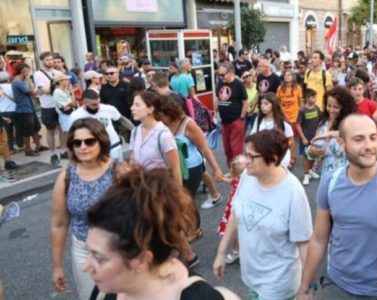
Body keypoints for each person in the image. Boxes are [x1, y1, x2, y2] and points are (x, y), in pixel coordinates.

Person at [298, 113, 377, 299]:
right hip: (335, 285)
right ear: (342, 144)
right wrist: (304, 288)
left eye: (373, 137)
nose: (369, 146)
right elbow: (319, 239)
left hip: (376, 293)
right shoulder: (330, 182)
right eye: (359, 139)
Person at [84, 167, 228, 300]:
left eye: (100, 258)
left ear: (142, 260)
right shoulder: (106, 290)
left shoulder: (200, 297)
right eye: (89, 252)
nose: (85, 266)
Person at [213, 129, 313, 300]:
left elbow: (304, 244)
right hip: (251, 274)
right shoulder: (247, 176)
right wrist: (221, 253)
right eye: (245, 154)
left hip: (278, 283)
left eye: (251, 156)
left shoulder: (293, 192)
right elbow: (235, 213)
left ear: (273, 159)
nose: (244, 161)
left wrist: (305, 289)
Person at [51, 118, 122, 300]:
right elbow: (59, 225)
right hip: (84, 251)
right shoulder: (66, 178)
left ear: (101, 142)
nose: (83, 147)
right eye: (77, 142)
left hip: (121, 249)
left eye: (89, 141)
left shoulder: (120, 172)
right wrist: (57, 266)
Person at [157, 95, 224, 198]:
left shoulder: (187, 123)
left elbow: (204, 148)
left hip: (191, 168)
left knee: (186, 202)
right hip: (171, 169)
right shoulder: (161, 124)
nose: (160, 118)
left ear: (170, 112)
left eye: (162, 115)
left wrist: (216, 169)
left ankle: (214, 196)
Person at [129, 91, 182, 184]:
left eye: (137, 105)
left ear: (150, 109)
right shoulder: (135, 132)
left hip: (159, 189)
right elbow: (133, 160)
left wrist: (178, 194)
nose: (132, 108)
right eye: (133, 105)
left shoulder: (163, 135)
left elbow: (175, 169)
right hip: (141, 188)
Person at [69, 89, 134, 159]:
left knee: (117, 168)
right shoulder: (76, 116)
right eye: (94, 104)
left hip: (113, 145)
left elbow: (122, 119)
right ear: (84, 102)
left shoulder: (108, 109)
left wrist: (136, 130)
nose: (98, 106)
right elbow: (71, 136)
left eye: (98, 103)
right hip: (93, 149)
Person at [305, 87, 357, 175]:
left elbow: (352, 135)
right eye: (329, 106)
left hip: (347, 174)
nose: (331, 110)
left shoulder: (352, 122)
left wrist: (331, 134)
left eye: (336, 107)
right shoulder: (323, 122)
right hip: (327, 173)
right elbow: (316, 145)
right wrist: (311, 152)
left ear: (345, 107)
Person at [250, 92, 294, 169]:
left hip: (280, 159)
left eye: (266, 104)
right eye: (261, 104)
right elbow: (253, 136)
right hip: (263, 157)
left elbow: (290, 140)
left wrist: (280, 149)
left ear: (273, 104)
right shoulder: (259, 120)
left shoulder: (282, 122)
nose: (263, 106)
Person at [215, 62, 247, 166]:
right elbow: (217, 97)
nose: (220, 77)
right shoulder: (220, 83)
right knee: (227, 149)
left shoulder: (238, 84)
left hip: (236, 121)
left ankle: (238, 174)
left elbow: (245, 101)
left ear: (231, 72)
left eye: (223, 74)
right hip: (224, 122)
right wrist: (215, 111)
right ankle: (233, 170)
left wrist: (241, 117)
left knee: (236, 149)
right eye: (219, 74)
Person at [216, 155, 246, 264]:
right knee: (240, 231)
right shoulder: (240, 180)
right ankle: (238, 250)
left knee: (231, 231)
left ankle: (237, 251)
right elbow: (232, 180)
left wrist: (224, 178)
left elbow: (232, 180)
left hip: (236, 210)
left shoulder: (241, 182)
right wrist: (224, 178)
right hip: (236, 209)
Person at [34, 51, 62, 165]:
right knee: (50, 130)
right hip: (48, 106)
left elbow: (64, 87)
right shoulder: (38, 74)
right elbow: (45, 90)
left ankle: (64, 150)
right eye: (47, 60)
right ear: (42, 62)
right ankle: (53, 153)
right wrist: (56, 88)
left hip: (60, 104)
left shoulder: (58, 72)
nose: (50, 62)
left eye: (51, 59)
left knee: (62, 129)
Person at [348, 78, 377, 154]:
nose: (357, 92)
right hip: (351, 143)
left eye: (360, 89)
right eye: (354, 89)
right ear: (349, 90)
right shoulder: (345, 105)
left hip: (368, 143)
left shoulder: (371, 105)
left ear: (364, 90)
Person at [10, 64, 44, 157]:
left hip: (29, 108)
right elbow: (32, 92)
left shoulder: (22, 81)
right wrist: (29, 80)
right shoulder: (17, 82)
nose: (29, 73)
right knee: (27, 131)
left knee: (35, 129)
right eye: (28, 71)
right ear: (23, 71)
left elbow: (32, 95)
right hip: (23, 110)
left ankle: (39, 146)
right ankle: (28, 150)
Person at [276, 69, 303, 166]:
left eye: (289, 75)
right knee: (283, 138)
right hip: (283, 117)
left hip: (294, 117)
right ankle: (284, 157)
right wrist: (280, 114)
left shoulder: (297, 88)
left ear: (293, 77)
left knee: (292, 139)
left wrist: (300, 115)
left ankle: (292, 158)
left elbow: (300, 102)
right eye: (285, 75)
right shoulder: (280, 88)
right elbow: (278, 102)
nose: (287, 76)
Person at [100, 65, 132, 143]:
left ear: (118, 74)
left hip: (125, 119)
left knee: (129, 142)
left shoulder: (126, 86)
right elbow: (102, 104)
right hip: (111, 121)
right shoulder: (104, 88)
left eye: (111, 73)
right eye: (107, 74)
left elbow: (131, 101)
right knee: (114, 142)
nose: (109, 75)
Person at [297, 88, 321, 185]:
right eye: (313, 97)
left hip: (314, 138)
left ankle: (311, 170)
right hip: (305, 138)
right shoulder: (302, 111)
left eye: (315, 97)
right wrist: (303, 138)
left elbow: (320, 121)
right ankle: (306, 174)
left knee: (313, 154)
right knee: (306, 156)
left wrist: (318, 134)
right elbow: (298, 124)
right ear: (307, 98)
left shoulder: (317, 108)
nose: (315, 99)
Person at [53, 73, 77, 161]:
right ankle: (69, 153)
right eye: (66, 80)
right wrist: (72, 93)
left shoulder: (65, 90)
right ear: (60, 82)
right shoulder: (57, 92)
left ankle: (72, 152)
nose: (68, 81)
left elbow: (72, 104)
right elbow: (70, 105)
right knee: (68, 134)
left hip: (70, 114)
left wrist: (71, 93)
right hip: (65, 116)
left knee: (72, 133)